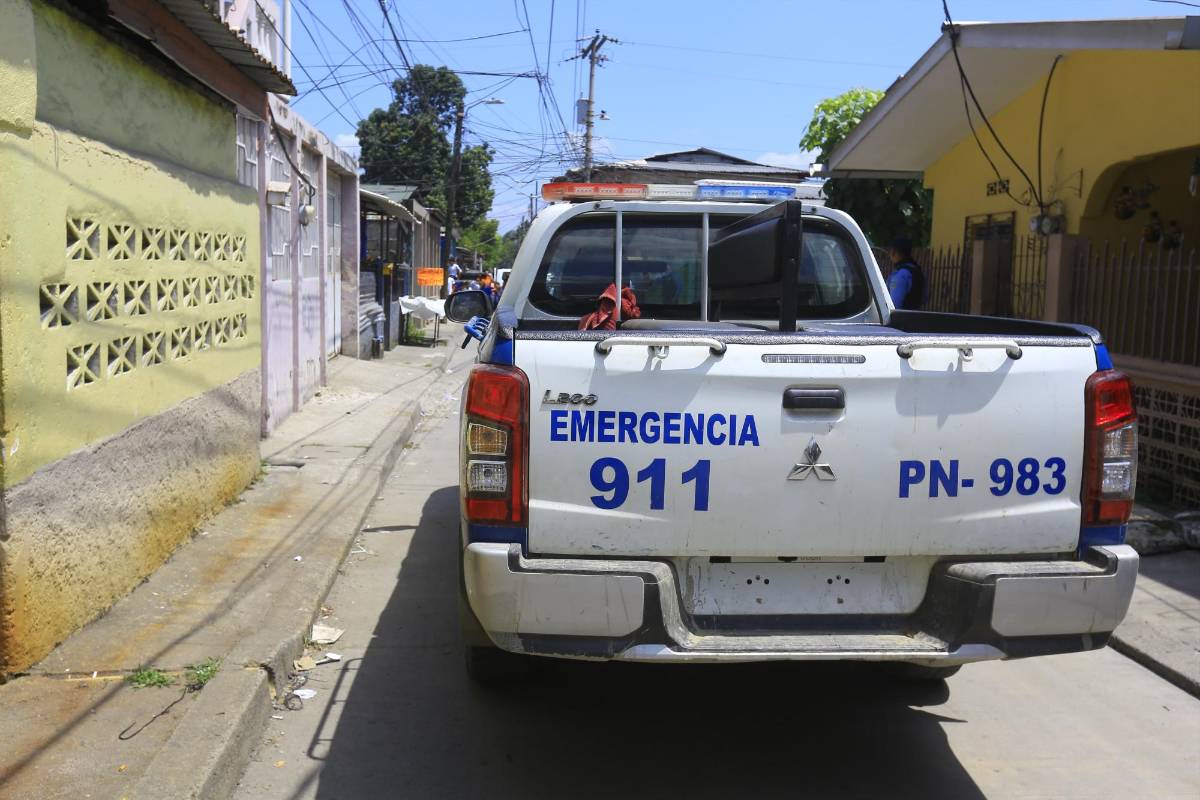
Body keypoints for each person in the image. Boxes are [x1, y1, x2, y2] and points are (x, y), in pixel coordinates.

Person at [887, 236, 926, 310]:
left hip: (900, 319)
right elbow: (924, 298)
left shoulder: (901, 275)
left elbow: (893, 305)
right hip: (915, 316)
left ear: (894, 252)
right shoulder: (918, 272)